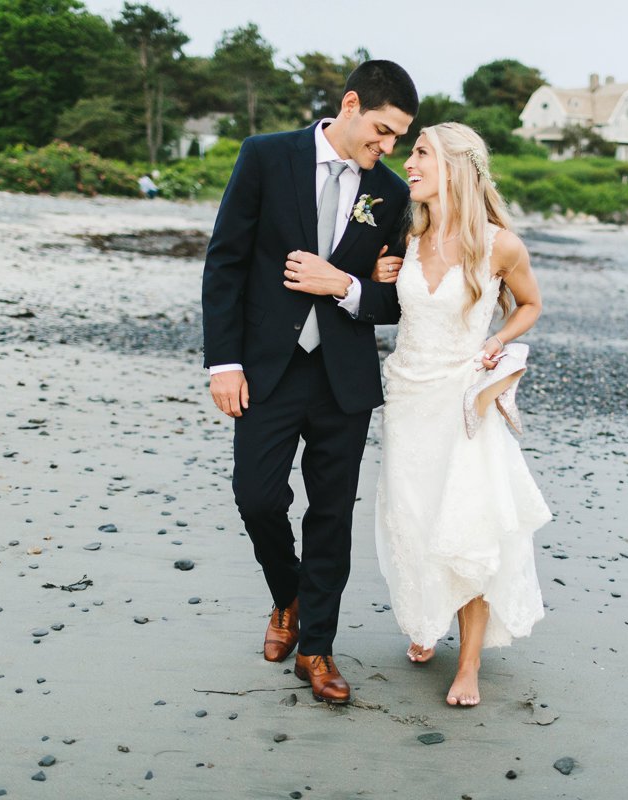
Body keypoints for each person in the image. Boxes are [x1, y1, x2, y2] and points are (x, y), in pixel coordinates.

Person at [201, 61, 418, 704]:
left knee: (330, 516)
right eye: (381, 131)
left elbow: (393, 302)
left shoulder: (393, 193)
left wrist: (345, 285)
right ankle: (288, 596)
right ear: (350, 104)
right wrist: (224, 363)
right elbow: (226, 262)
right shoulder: (265, 157)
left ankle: (318, 648)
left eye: (399, 139)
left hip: (343, 380)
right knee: (257, 498)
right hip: (265, 368)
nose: (388, 148)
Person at [369, 123, 551, 706]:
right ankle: (428, 617)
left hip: (461, 401)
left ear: (456, 167)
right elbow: (386, 307)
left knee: (466, 523)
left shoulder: (499, 244)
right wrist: (378, 277)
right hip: (407, 397)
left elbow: (531, 304)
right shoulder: (407, 236)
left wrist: (498, 340)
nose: (409, 164)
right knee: (416, 517)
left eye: (421, 153)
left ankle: (468, 663)